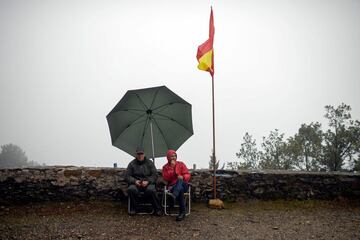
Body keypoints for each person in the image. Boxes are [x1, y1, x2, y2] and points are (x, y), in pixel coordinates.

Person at [126, 146, 162, 216]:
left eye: (141, 154)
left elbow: (155, 175)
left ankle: (157, 209)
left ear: (144, 154)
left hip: (148, 183)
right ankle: (134, 208)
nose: (140, 156)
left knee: (151, 190)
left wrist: (148, 181)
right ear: (136, 154)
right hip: (136, 184)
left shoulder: (150, 163)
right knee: (131, 189)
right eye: (138, 154)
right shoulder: (131, 164)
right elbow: (127, 176)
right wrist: (134, 181)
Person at [162, 149, 191, 221]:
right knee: (179, 189)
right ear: (168, 157)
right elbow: (166, 178)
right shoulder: (165, 167)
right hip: (173, 186)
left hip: (184, 184)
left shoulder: (181, 164)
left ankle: (174, 196)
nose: (174, 158)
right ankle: (182, 213)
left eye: (175, 156)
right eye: (172, 156)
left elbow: (188, 174)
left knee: (180, 181)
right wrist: (172, 168)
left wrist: (183, 177)